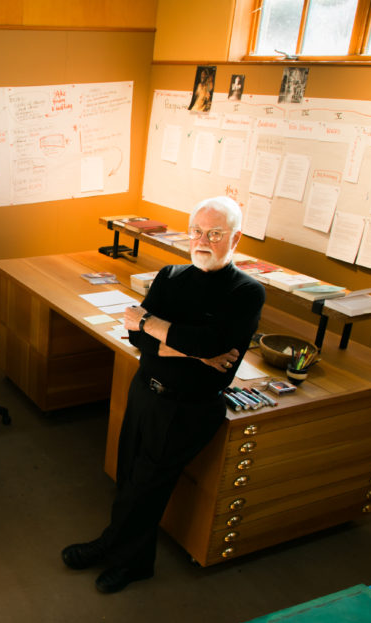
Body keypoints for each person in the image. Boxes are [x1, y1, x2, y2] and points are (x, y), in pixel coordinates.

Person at [62, 196, 265, 593]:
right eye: (197, 231)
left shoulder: (245, 292)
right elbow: (139, 337)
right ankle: (112, 543)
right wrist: (190, 347)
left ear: (235, 238)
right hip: (145, 392)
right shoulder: (171, 276)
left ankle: (133, 562)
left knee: (147, 489)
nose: (202, 240)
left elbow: (209, 344)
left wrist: (157, 326)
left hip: (187, 408)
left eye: (215, 234)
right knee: (127, 477)